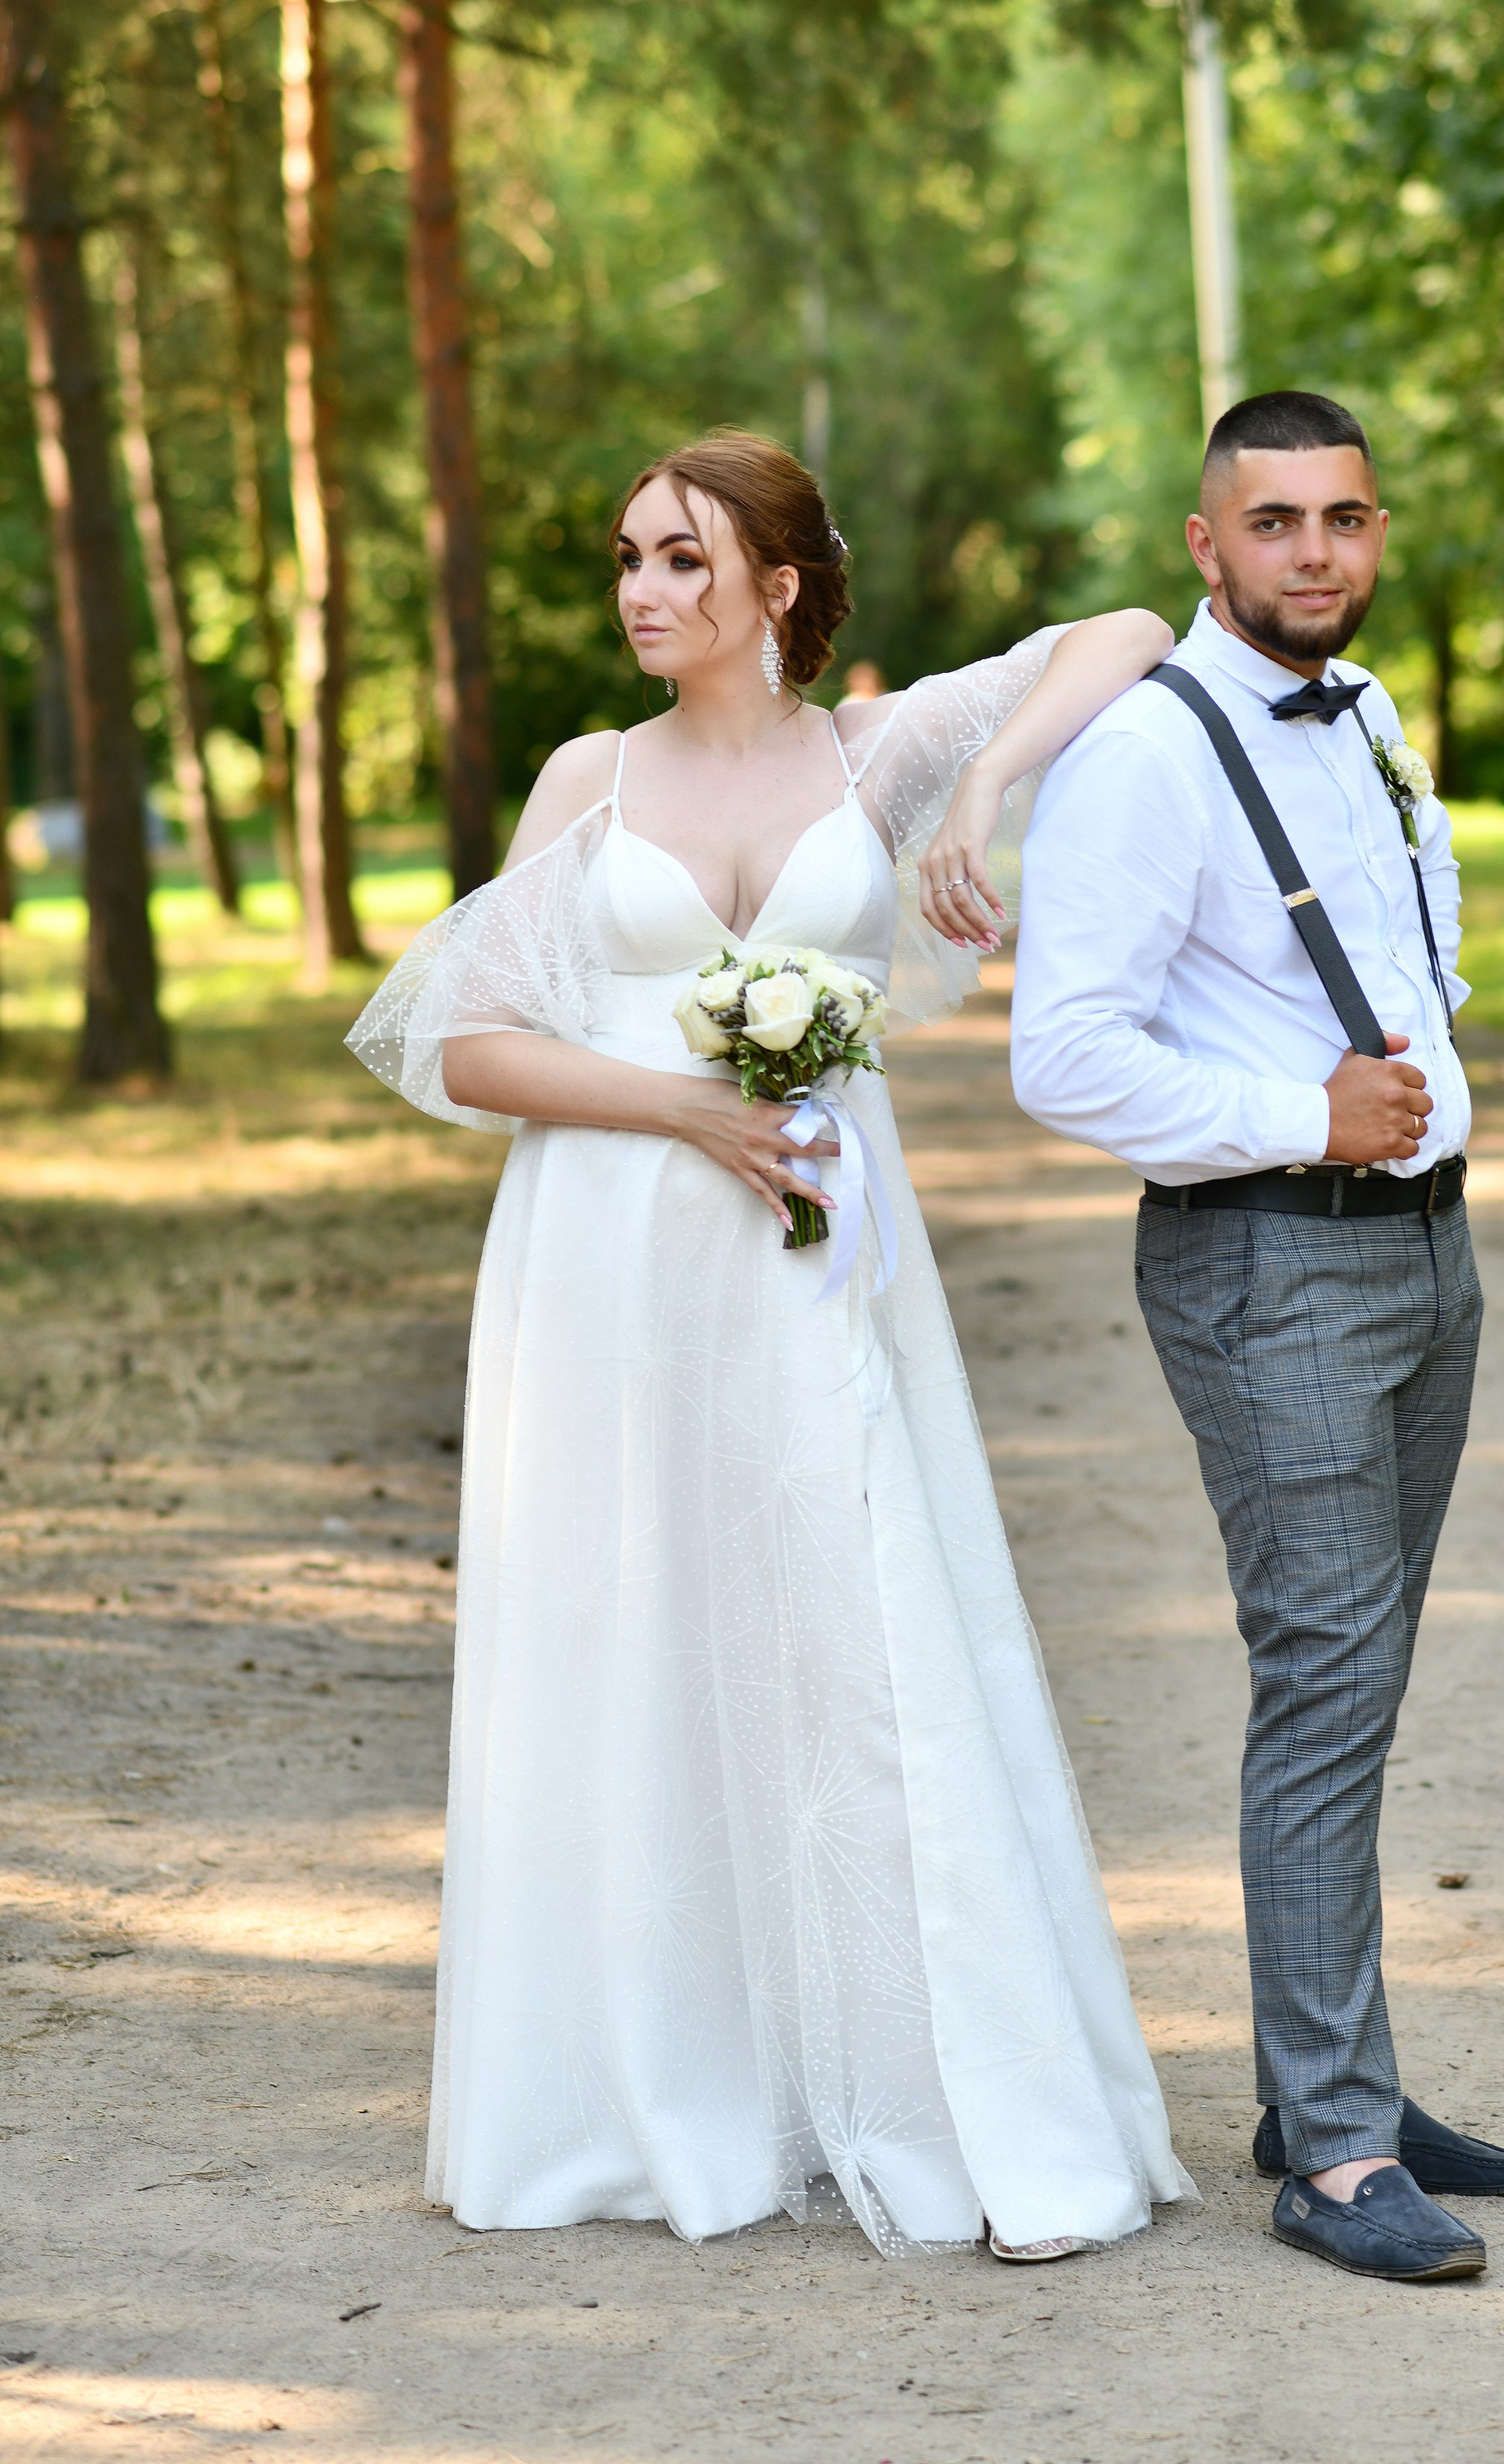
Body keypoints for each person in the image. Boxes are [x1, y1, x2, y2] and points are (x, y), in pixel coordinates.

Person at [347, 432, 1190, 2263]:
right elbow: (466, 1046)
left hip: (817, 1273)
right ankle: (655, 2088)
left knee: (858, 1629)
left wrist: (976, 803)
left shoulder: (870, 756)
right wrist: (684, 1109)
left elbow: (1123, 625)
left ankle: (942, 2094)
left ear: (779, 589)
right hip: (608, 1259)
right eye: (630, 558)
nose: (645, 591)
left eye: (683, 559)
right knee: (635, 1627)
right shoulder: (589, 776)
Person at [1009, 389, 1504, 2286]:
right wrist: (1297, 1115)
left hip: (1421, 1251)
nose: (1314, 553)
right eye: (1274, 524)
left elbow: (1413, 945)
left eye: (1345, 519)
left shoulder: (1372, 715)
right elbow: (1058, 1052)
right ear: (1203, 547)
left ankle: (1337, 2083)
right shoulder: (1145, 763)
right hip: (1267, 1258)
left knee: (1362, 1677)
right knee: (1322, 1682)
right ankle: (1329, 2154)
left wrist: (1415, 1073)